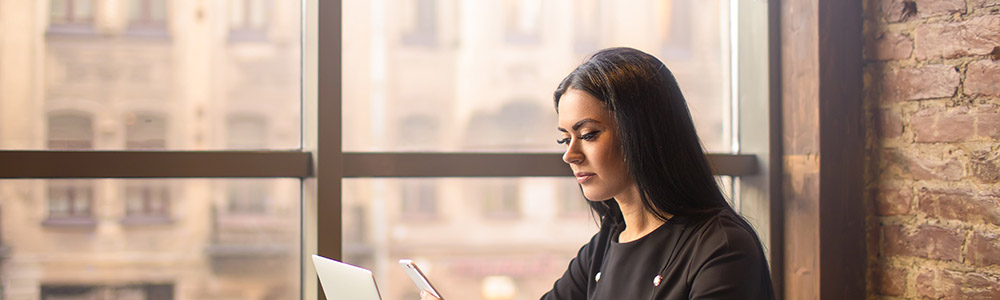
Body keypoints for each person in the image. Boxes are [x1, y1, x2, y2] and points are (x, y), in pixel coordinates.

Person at [421, 47, 774, 300]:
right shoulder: (606, 243)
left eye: (588, 134)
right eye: (565, 138)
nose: (570, 155)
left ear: (643, 133)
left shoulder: (722, 249)